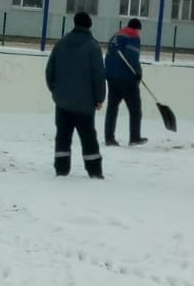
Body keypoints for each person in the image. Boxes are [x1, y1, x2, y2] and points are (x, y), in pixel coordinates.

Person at [45, 10, 107, 178]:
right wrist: (99, 98)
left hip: (62, 102)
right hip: (85, 104)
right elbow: (98, 75)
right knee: (88, 137)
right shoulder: (93, 47)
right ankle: (94, 171)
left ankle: (62, 168)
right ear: (89, 25)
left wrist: (56, 91)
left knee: (63, 136)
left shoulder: (61, 44)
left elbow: (50, 71)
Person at [104, 17, 147, 147]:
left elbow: (108, 56)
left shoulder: (115, 36)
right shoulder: (133, 36)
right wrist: (138, 72)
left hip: (111, 77)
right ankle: (134, 137)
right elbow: (132, 56)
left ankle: (109, 138)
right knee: (135, 109)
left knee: (112, 108)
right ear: (136, 28)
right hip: (127, 78)